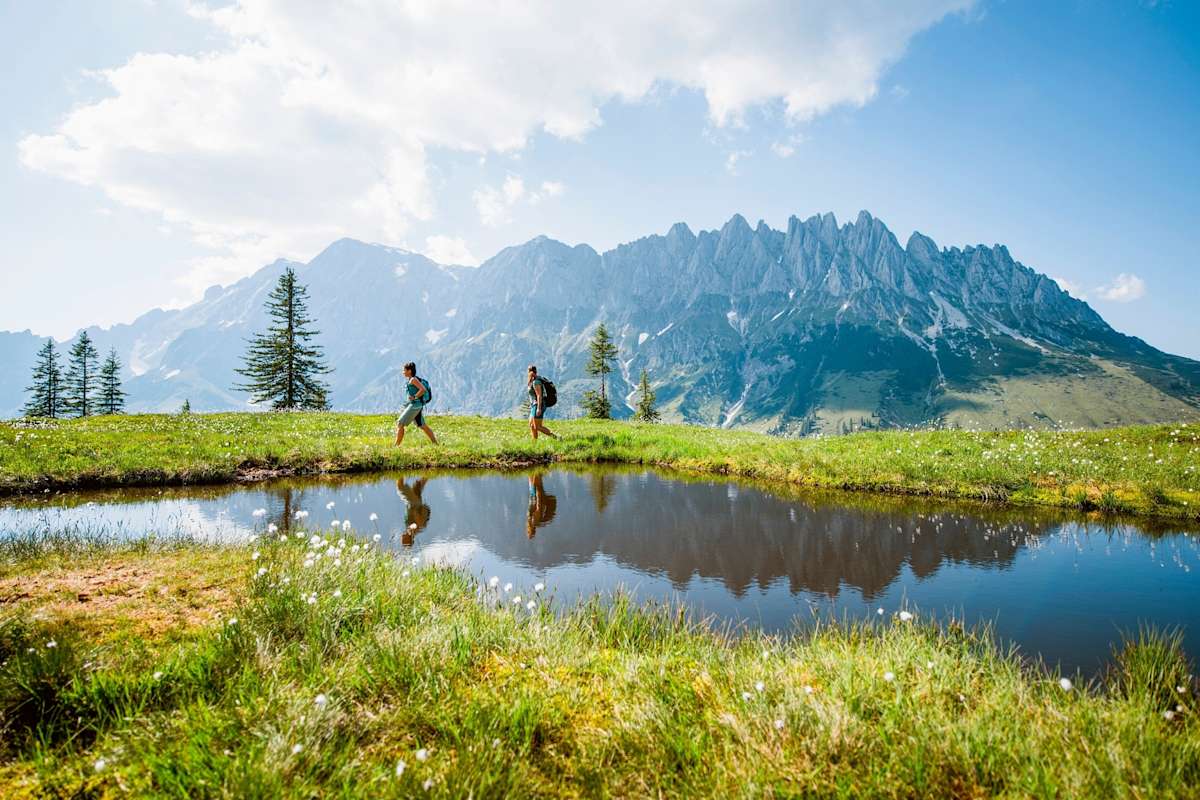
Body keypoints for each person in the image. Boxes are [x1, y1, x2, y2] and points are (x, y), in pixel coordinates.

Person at [395, 362, 438, 446]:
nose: (403, 372)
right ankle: (436, 444)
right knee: (422, 425)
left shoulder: (413, 380)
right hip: (416, 405)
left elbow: (423, 389)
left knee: (400, 424)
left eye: (404, 370)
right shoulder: (412, 379)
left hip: (415, 406)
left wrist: (414, 397)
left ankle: (396, 446)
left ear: (409, 371)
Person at [396, 477, 431, 546]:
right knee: (400, 487)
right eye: (403, 538)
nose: (402, 536)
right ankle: (400, 472)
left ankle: (429, 473)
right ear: (407, 538)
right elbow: (417, 517)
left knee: (417, 485)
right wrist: (415, 509)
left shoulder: (412, 530)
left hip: (415, 504)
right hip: (414, 504)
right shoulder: (413, 529)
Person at [527, 364, 558, 441]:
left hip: (538, 405)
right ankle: (534, 443)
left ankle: (557, 438)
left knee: (538, 426)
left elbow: (539, 395)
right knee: (531, 425)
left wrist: (538, 408)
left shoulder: (536, 382)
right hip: (534, 405)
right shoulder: (535, 380)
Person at [525, 472, 558, 538]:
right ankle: (537, 470)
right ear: (531, 529)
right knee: (534, 478)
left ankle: (537, 470)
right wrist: (538, 494)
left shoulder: (533, 521)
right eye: (528, 531)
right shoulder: (534, 521)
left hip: (534, 497)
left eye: (527, 531)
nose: (526, 529)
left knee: (532, 477)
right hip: (535, 497)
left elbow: (538, 507)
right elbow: (539, 507)